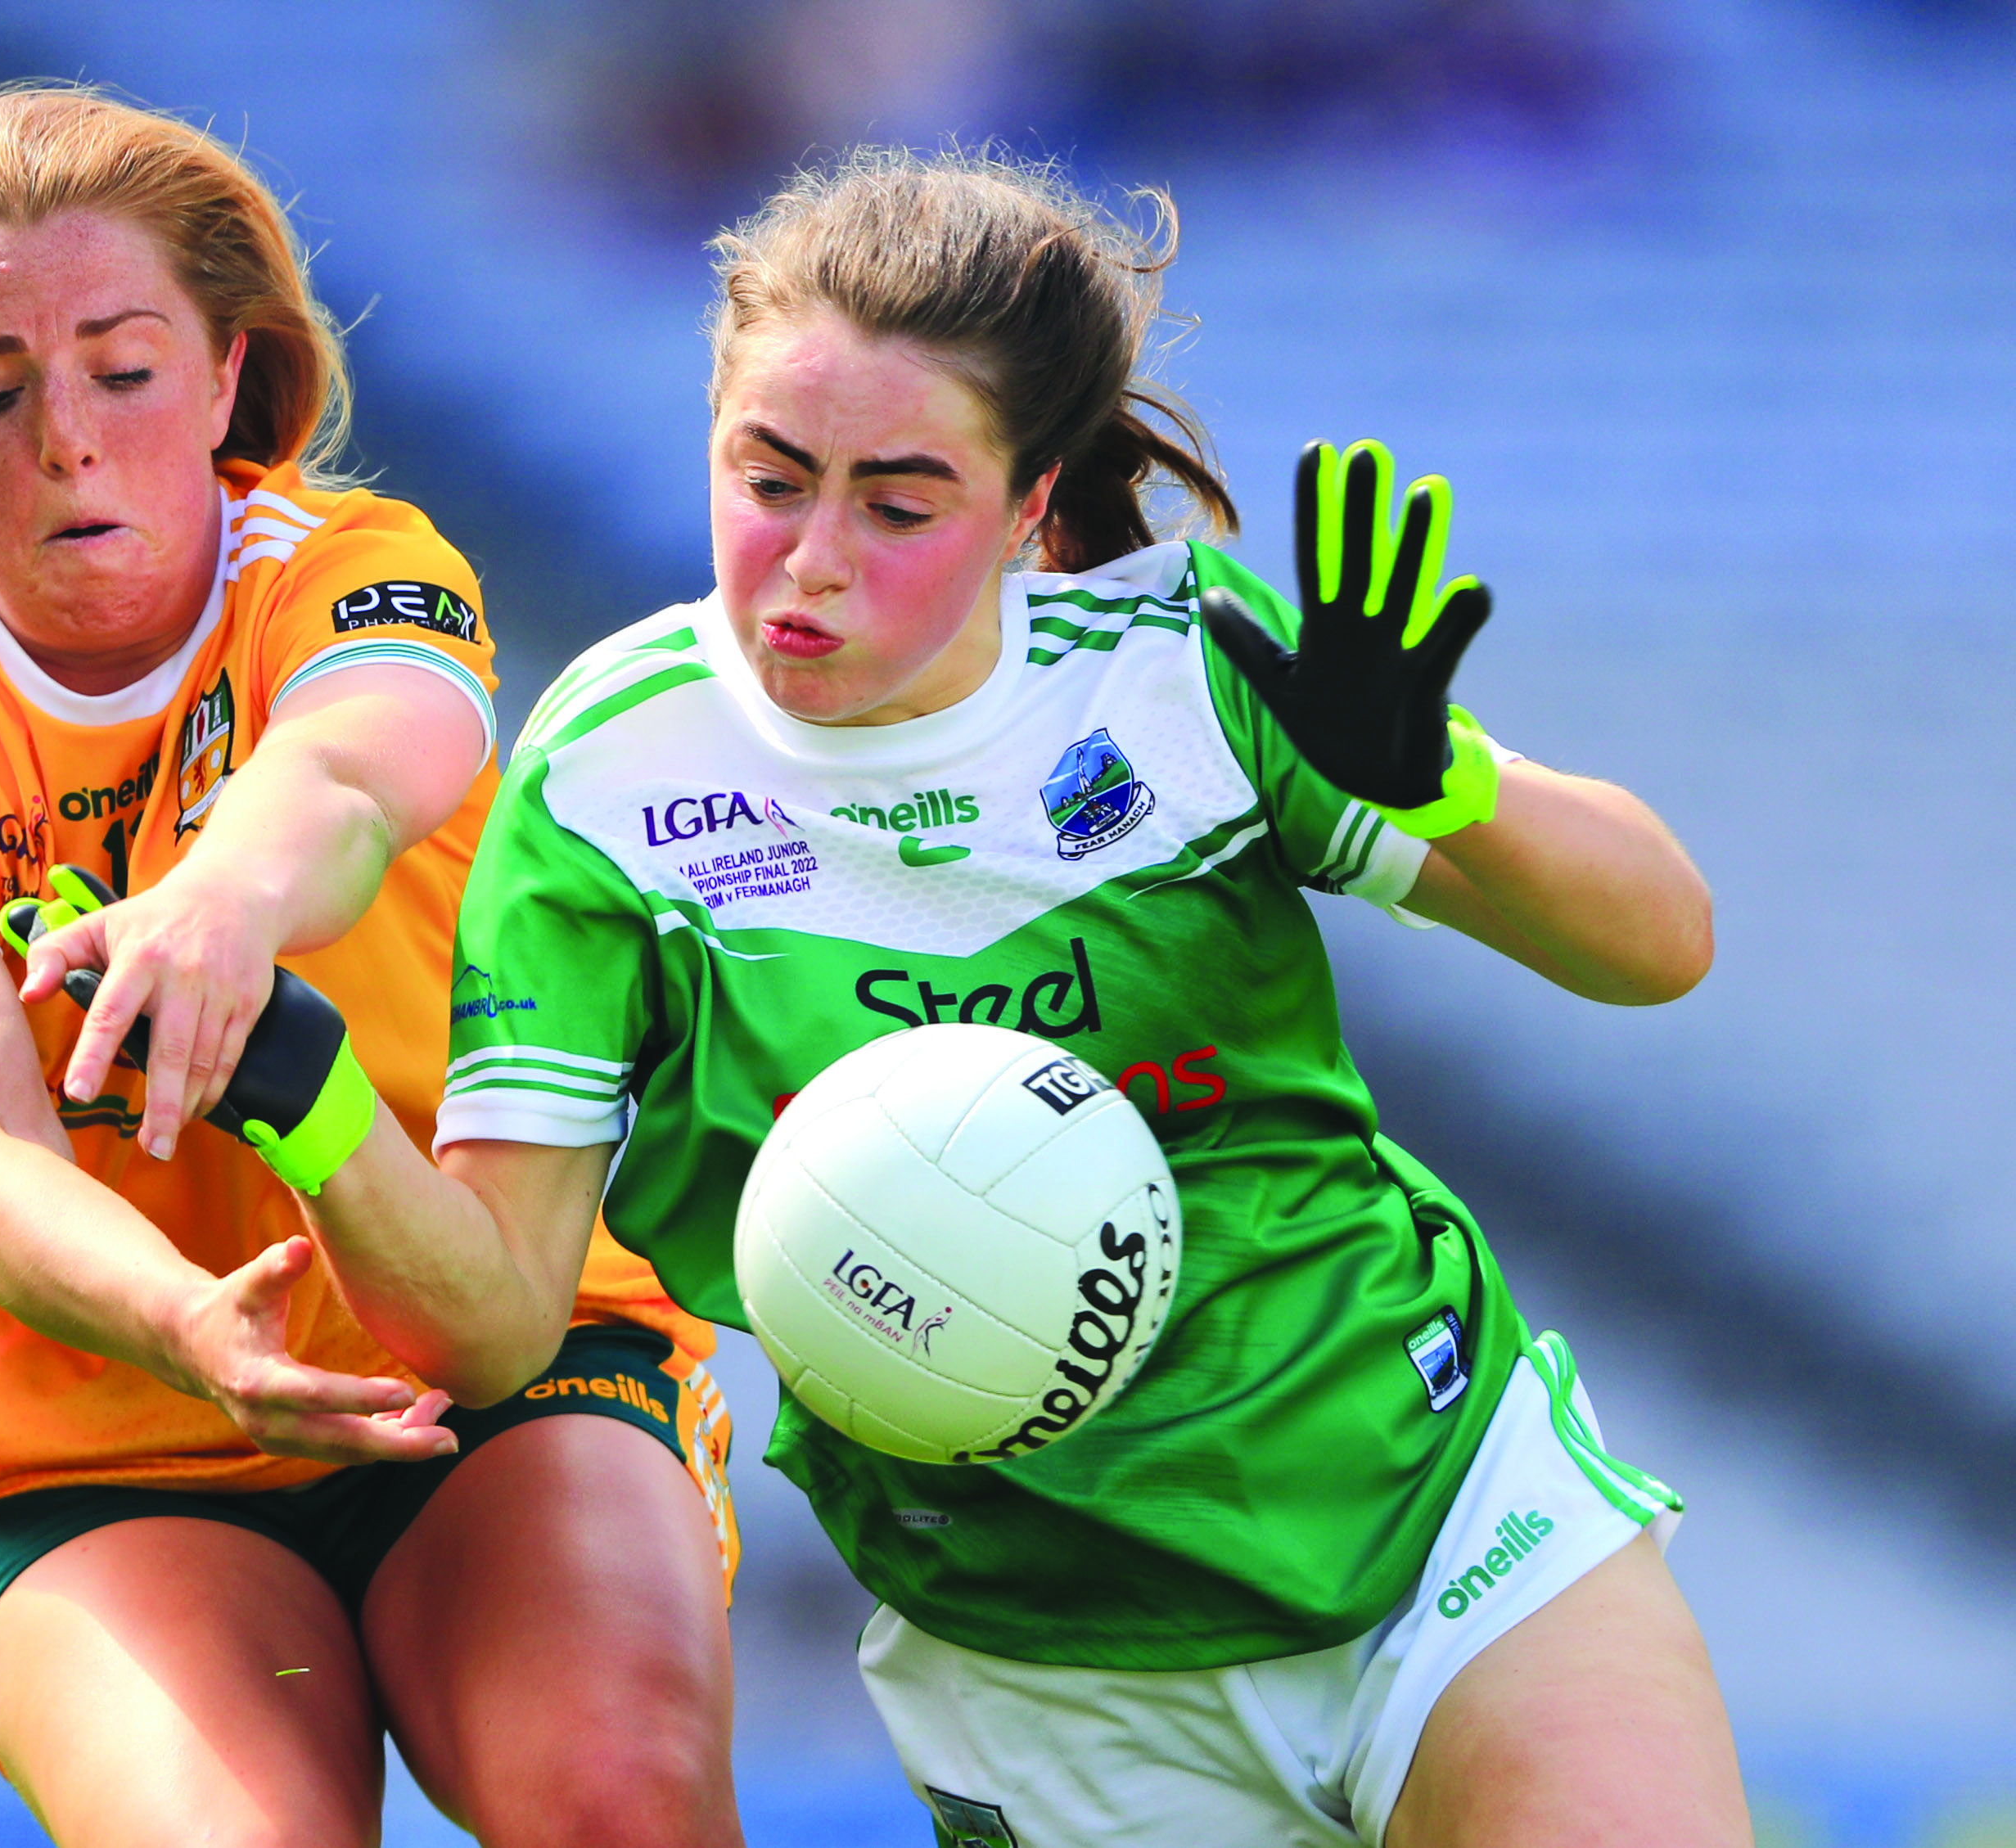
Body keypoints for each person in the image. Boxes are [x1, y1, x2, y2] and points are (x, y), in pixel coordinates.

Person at [259, 151, 1750, 1847]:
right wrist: (303, 1095)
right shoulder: (612, 774)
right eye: (767, 478)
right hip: (1043, 1668)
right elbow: (499, 1319)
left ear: (1030, 503)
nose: (807, 562)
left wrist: (1443, 781)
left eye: (897, 504)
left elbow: (1657, 945)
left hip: (1441, 1530)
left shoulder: (1180, 670)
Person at [0, 84, 741, 1848]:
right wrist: (178, 1323)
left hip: (501, 1353)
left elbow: (359, 772)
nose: (66, 440)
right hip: (101, 1444)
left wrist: (215, 904)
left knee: (616, 1803)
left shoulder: (357, 564)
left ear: (224, 378)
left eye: (124, 372)